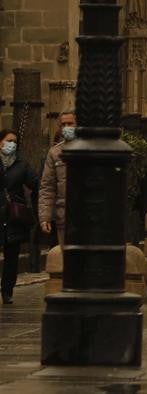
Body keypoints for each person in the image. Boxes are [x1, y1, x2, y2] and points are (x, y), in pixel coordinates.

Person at [1, 129, 38, 305]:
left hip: (13, 217)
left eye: (15, 141)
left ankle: (7, 291)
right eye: (9, 140)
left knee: (11, 257)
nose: (12, 144)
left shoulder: (22, 165)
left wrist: (29, 203)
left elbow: (36, 184)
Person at [38, 110, 76, 246]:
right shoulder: (55, 153)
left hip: (87, 217)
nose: (66, 127)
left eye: (70, 123)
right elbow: (47, 187)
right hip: (64, 217)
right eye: (63, 124)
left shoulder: (90, 148)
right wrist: (45, 217)